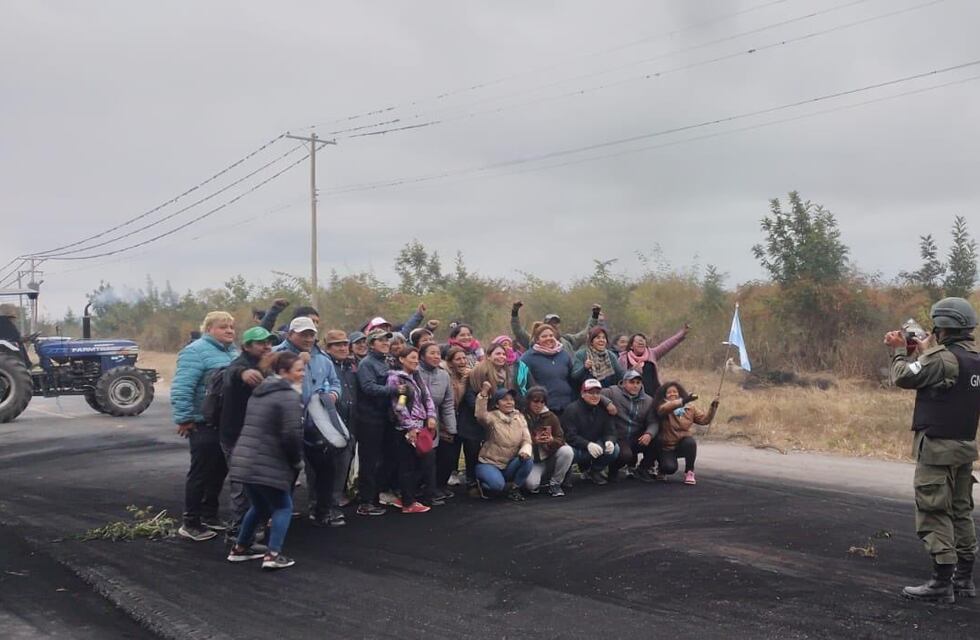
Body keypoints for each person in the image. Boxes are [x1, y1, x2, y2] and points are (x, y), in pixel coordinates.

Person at [884, 297, 980, 603]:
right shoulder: (974, 358)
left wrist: (900, 350)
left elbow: (903, 377)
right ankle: (964, 580)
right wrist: (924, 352)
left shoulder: (941, 358)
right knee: (960, 511)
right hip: (964, 445)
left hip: (937, 447)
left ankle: (941, 583)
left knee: (933, 511)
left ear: (943, 326)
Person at [226, 351, 304, 570]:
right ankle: (273, 554)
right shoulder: (288, 396)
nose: (303, 374)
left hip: (243, 459)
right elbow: (291, 434)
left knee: (260, 506)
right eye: (299, 370)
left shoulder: (259, 392)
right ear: (283, 372)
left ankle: (240, 548)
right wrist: (296, 461)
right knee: (283, 506)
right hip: (268, 460)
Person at [171, 311, 238, 541]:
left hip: (225, 423)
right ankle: (190, 522)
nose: (229, 330)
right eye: (223, 327)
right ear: (209, 329)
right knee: (201, 472)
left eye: (231, 327)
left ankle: (210, 514)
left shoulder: (232, 352)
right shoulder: (195, 352)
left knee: (219, 470)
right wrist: (184, 418)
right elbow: (182, 387)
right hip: (202, 422)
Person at [273, 317, 342, 524]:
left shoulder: (322, 358)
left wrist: (332, 396)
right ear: (290, 333)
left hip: (317, 423)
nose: (308, 338)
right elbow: (268, 382)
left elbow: (335, 382)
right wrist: (299, 363)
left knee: (326, 468)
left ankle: (322, 511)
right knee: (287, 472)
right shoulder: (276, 355)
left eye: (311, 334)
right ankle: (275, 514)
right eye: (303, 334)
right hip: (287, 423)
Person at [219, 326, 276, 539]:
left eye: (269, 342)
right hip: (237, 438)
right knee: (242, 486)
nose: (267, 346)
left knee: (257, 484)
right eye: (261, 343)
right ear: (246, 346)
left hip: (257, 437)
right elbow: (230, 374)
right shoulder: (240, 365)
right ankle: (237, 532)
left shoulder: (266, 364)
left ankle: (252, 528)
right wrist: (243, 373)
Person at [387, 346, 438, 513]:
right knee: (407, 466)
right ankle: (408, 502)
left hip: (422, 425)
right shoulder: (397, 379)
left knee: (425, 462)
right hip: (406, 429)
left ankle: (421, 496)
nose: (416, 361)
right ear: (402, 359)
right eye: (412, 357)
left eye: (417, 358)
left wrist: (431, 416)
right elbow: (399, 405)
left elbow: (427, 397)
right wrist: (410, 427)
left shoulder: (416, 377)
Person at [354, 330, 398, 516]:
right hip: (369, 418)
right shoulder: (367, 364)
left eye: (387, 340)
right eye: (381, 340)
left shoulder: (387, 362)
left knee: (388, 457)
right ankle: (365, 502)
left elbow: (398, 390)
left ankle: (376, 495)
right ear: (371, 344)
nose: (385, 343)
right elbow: (368, 387)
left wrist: (401, 400)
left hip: (387, 417)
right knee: (369, 460)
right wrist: (394, 390)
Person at [321, 329, 359, 527]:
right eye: (338, 345)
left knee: (342, 470)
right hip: (329, 426)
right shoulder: (324, 366)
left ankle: (333, 507)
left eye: (345, 344)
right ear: (328, 348)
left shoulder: (351, 365)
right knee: (327, 471)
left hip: (350, 425)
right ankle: (322, 509)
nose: (343, 347)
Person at [474, 383, 533, 501]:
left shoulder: (519, 417)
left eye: (511, 400)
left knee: (528, 459)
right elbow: (480, 415)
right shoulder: (491, 417)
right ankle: (483, 484)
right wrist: (484, 394)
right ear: (497, 404)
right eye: (504, 400)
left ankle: (515, 489)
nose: (509, 402)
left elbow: (527, 439)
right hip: (489, 463)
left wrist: (525, 451)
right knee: (497, 486)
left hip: (509, 464)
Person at [652, 381, 717, 485]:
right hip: (666, 446)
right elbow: (664, 409)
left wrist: (713, 407)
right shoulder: (662, 406)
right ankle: (661, 467)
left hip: (682, 444)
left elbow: (704, 420)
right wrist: (683, 400)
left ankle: (689, 472)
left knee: (690, 442)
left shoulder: (690, 408)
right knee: (669, 468)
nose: (672, 394)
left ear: (680, 393)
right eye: (669, 392)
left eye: (675, 392)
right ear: (664, 395)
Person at [602, 370, 659, 482]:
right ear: (624, 383)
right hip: (619, 437)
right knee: (625, 455)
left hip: (637, 437)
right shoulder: (613, 392)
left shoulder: (648, 400)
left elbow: (653, 422)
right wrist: (607, 402)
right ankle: (613, 470)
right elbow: (595, 394)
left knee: (658, 441)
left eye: (638, 383)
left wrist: (649, 434)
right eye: (632, 382)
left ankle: (642, 469)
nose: (635, 386)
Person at [418, 342, 458, 500]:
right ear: (422, 356)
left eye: (438, 354)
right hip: (416, 422)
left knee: (447, 453)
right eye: (431, 353)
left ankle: (437, 486)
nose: (436, 356)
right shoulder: (414, 373)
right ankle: (424, 489)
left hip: (436, 421)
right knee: (425, 457)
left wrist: (451, 428)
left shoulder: (443, 375)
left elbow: (448, 403)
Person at [562, 379, 619, 485]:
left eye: (597, 393)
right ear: (583, 394)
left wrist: (610, 441)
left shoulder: (604, 409)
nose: (595, 396)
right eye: (591, 393)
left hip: (597, 446)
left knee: (615, 449)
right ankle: (566, 473)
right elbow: (569, 436)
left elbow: (610, 431)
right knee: (566, 453)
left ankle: (594, 471)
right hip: (577, 448)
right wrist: (587, 444)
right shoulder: (571, 409)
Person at [523, 386, 573, 496]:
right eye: (535, 401)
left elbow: (561, 438)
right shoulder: (521, 416)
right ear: (528, 401)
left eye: (542, 402)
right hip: (532, 460)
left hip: (548, 456)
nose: (539, 405)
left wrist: (551, 440)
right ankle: (541, 479)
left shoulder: (551, 417)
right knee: (532, 485)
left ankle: (555, 483)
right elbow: (517, 438)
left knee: (567, 451)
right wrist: (533, 440)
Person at [520, 323, 575, 416]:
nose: (548, 338)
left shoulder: (564, 354)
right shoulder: (528, 357)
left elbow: (572, 378)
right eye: (544, 336)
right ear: (537, 339)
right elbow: (522, 383)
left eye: (551, 335)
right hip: (544, 408)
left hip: (567, 406)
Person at [619, 325, 690, 397]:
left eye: (643, 340)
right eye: (638, 341)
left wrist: (682, 334)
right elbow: (619, 377)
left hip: (652, 396)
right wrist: (632, 371)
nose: (641, 341)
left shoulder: (652, 354)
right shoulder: (623, 358)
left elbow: (667, 345)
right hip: (631, 397)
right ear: (631, 346)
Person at [511, 300, 601, 353]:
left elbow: (587, 333)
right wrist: (514, 312)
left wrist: (595, 315)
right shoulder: (534, 342)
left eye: (556, 323)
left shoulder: (568, 341)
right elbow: (518, 331)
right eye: (550, 323)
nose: (553, 325)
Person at [445, 346, 474, 489]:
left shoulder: (470, 374)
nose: (462, 361)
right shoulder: (446, 375)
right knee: (452, 447)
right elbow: (454, 400)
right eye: (458, 359)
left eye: (464, 358)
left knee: (469, 444)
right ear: (450, 362)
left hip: (465, 416)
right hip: (449, 415)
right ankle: (452, 471)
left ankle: (471, 474)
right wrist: (463, 380)